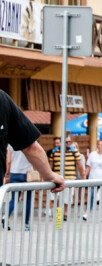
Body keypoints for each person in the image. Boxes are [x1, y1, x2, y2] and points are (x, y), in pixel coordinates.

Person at [1, 90, 65, 230]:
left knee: (15, 199)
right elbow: (32, 148)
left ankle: (7, 217)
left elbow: (9, 159)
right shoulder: (2, 100)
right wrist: (49, 175)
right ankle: (26, 224)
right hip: (25, 174)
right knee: (27, 199)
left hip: (16, 174)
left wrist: (8, 173)